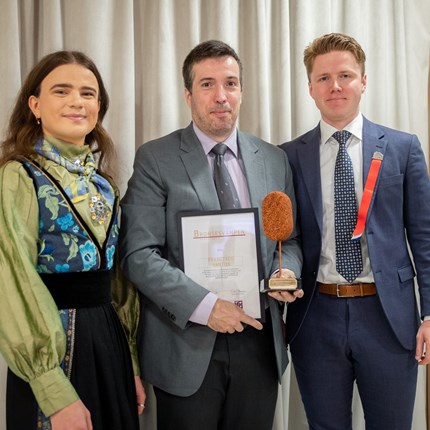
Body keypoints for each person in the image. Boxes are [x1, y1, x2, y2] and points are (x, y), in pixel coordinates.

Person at [119, 39, 303, 430]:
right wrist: (205, 306)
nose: (221, 96)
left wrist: (285, 274)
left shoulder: (273, 159)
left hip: (259, 342)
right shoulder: (156, 158)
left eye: (231, 83)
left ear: (241, 91)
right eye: (207, 84)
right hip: (185, 343)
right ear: (188, 95)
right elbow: (138, 254)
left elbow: (290, 240)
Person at [280, 32, 430, 429]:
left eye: (345, 75)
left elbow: (425, 239)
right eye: (324, 78)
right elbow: (284, 238)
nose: (335, 86)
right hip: (316, 317)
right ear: (310, 87)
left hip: (388, 316)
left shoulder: (403, 148)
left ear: (363, 81)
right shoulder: (288, 157)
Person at [0, 50, 146, 430]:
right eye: (61, 91)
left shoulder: (105, 185)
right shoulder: (19, 176)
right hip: (55, 348)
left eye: (88, 93)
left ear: (99, 107)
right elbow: (11, 279)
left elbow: (118, 284)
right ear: (35, 104)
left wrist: (129, 363)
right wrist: (52, 388)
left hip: (108, 343)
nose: (77, 102)